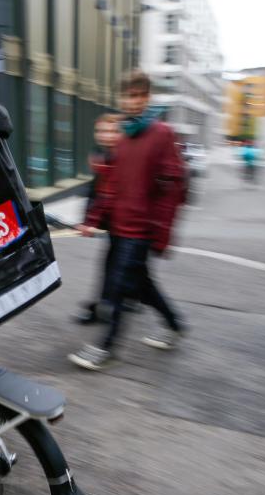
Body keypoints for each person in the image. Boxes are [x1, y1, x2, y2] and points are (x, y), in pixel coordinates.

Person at [68, 71, 187, 371]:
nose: (132, 101)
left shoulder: (162, 134)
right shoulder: (122, 137)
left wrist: (161, 232)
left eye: (138, 96)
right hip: (118, 229)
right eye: (128, 96)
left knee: (120, 285)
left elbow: (174, 187)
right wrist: (92, 219)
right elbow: (109, 187)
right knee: (142, 286)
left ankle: (105, 348)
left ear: (147, 98)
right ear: (121, 98)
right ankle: (175, 324)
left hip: (141, 231)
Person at [73, 112, 124, 325]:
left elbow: (109, 196)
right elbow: (94, 190)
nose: (106, 135)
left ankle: (107, 309)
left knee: (119, 269)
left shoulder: (122, 158)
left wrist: (91, 222)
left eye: (112, 131)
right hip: (116, 226)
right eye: (101, 130)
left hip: (129, 225)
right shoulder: (102, 155)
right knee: (115, 268)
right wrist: (87, 220)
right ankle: (107, 306)